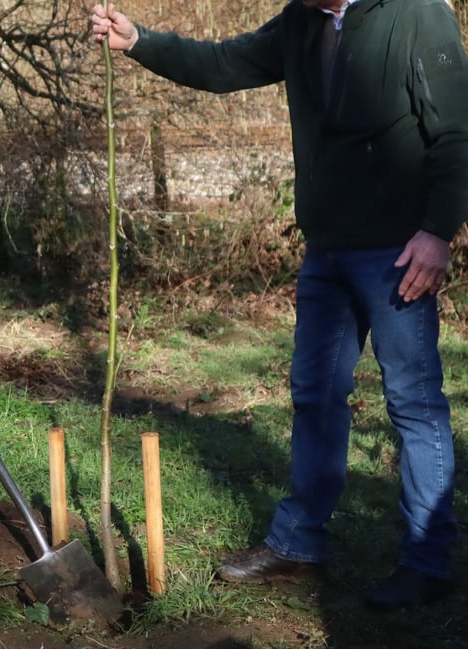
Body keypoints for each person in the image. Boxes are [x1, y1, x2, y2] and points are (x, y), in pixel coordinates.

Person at [92, 0, 468, 609]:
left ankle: (427, 561)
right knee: (314, 394)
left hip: (398, 250)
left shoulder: (416, 13)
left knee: (414, 403)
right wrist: (138, 40)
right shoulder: (301, 21)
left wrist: (438, 229)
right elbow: (223, 64)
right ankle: (299, 546)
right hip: (327, 250)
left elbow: (455, 128)